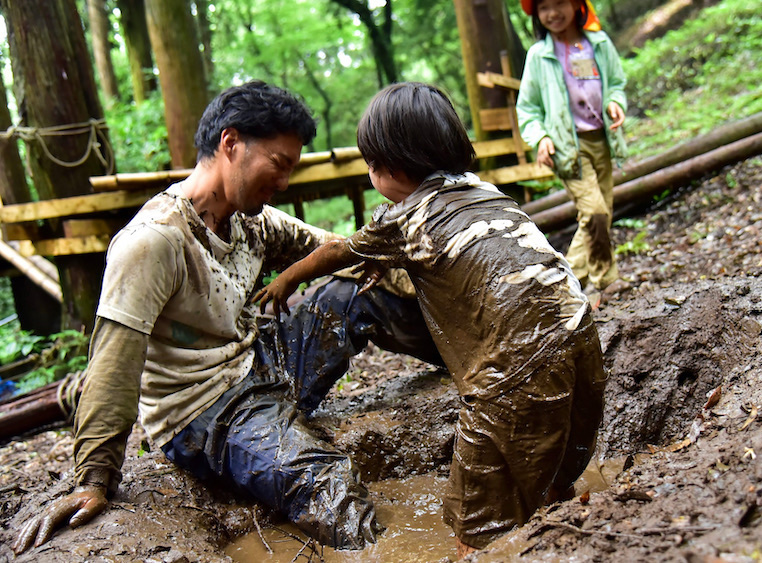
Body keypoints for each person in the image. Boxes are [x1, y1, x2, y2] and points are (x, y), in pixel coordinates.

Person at [12, 81, 442, 555]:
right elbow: (113, 366)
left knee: (358, 292)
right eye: (279, 165)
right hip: (204, 410)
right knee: (328, 480)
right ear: (231, 143)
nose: (284, 182)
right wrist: (94, 476)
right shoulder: (154, 242)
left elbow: (338, 251)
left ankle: (471, 363)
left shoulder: (250, 221)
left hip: (263, 364)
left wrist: (410, 271)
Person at [253, 82, 608, 559]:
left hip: (512, 372)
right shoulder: (487, 194)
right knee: (549, 479)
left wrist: (287, 279)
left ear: (387, 167)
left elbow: (338, 251)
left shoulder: (404, 217)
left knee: (475, 521)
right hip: (581, 339)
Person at [516, 0, 629, 307]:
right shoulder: (539, 55)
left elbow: (616, 83)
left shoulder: (599, 44)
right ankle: (607, 280)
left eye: (559, 4)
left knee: (594, 217)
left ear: (576, 5)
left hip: (602, 141)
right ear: (536, 15)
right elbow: (527, 108)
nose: (552, 13)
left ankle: (564, 282)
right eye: (544, 8)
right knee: (595, 212)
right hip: (568, 148)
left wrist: (615, 102)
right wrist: (540, 138)